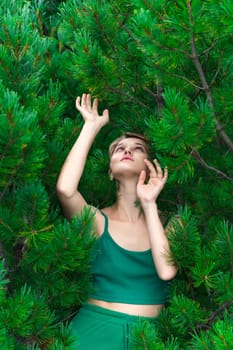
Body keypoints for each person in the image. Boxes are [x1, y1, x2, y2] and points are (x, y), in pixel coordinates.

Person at [56, 93, 177, 350]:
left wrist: (149, 204)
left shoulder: (171, 224)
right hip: (92, 334)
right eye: (118, 149)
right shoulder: (97, 221)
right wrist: (90, 127)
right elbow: (66, 190)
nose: (126, 150)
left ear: (149, 165)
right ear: (110, 171)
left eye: (137, 148)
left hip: (147, 338)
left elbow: (167, 271)